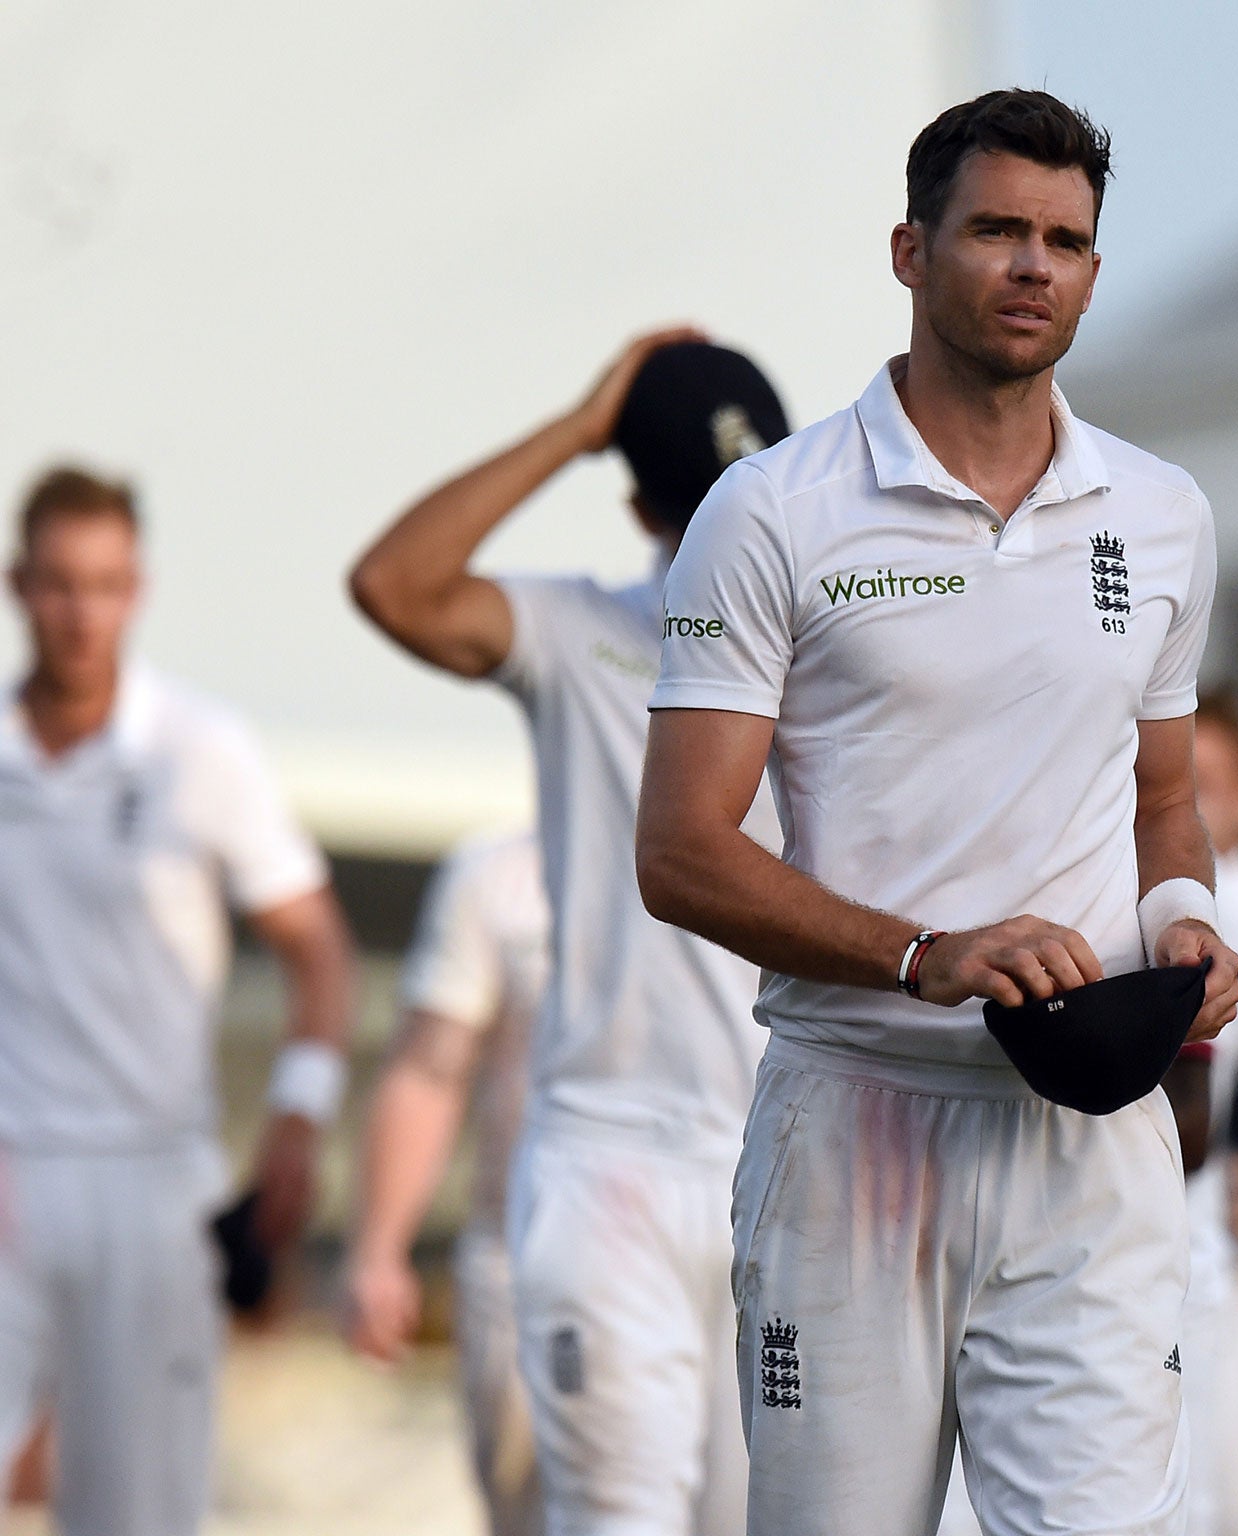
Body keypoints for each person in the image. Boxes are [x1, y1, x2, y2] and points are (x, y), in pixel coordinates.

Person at [635, 89, 1238, 1536]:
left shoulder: (1161, 514)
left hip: (1089, 1139)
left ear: (1095, 271)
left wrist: (1192, 925)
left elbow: (1168, 801)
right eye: (995, 231)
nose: (1033, 266)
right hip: (856, 1126)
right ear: (912, 251)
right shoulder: (774, 510)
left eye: (1066, 241)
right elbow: (682, 852)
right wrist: (928, 954)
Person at [349, 334, 789, 1534]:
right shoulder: (577, 630)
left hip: (789, 1166)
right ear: (647, 507)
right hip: (611, 1166)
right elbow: (396, 585)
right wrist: (575, 424)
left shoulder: (836, 656)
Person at [0, 465, 357, 1535]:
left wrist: (299, 1114)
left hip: (158, 1183)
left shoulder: (199, 750)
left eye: (105, 584)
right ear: (20, 585)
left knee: (140, 1512)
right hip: (14, 1169)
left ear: (137, 588)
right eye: (60, 584)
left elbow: (319, 948)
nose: (82, 613)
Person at [345, 826, 548, 1536]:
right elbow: (431, 1066)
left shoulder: (774, 853)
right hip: (526, 1256)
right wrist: (378, 1252)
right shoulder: (498, 876)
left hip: (718, 1249)